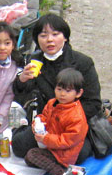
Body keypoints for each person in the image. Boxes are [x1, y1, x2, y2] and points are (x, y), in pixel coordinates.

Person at [12, 13, 102, 163]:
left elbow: (94, 103)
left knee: (78, 155)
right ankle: (45, 153)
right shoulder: (34, 61)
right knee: (18, 146)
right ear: (37, 40)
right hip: (45, 121)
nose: (49, 40)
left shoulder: (82, 63)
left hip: (72, 124)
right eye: (43, 35)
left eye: (55, 34)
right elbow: (22, 95)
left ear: (65, 37)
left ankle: (42, 156)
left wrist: (65, 120)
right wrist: (22, 80)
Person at [18, 68, 88, 175]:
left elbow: (67, 140)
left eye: (68, 91)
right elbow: (43, 116)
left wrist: (46, 139)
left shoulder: (76, 116)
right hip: (51, 146)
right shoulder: (52, 103)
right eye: (59, 89)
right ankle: (51, 165)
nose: (62, 94)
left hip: (63, 154)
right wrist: (37, 123)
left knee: (32, 154)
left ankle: (59, 172)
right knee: (28, 159)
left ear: (78, 93)